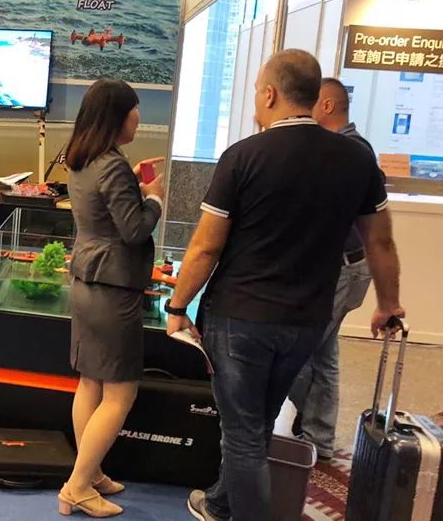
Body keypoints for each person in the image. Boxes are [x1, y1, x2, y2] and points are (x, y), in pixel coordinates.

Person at [166, 50, 404, 521]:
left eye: (257, 91)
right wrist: (388, 304)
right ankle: (219, 503)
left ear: (271, 94)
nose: (256, 99)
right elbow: (379, 241)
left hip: (240, 318)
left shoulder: (243, 156)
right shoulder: (356, 159)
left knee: (243, 436)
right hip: (306, 320)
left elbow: (206, 247)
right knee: (258, 422)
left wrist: (177, 307)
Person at [58, 79, 165, 518]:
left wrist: (133, 184)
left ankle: (90, 471)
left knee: (90, 383)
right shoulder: (112, 166)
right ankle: (78, 486)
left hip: (87, 280)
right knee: (120, 393)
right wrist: (154, 198)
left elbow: (104, 211)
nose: (139, 117)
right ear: (117, 116)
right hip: (113, 288)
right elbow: (134, 229)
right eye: (135, 109)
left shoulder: (82, 158)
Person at [288, 77, 382, 461]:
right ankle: (319, 438)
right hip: (344, 265)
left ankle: (300, 430)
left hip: (342, 268)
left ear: (327, 105)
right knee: (323, 354)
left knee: (297, 352)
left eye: (311, 103)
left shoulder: (348, 150)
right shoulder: (350, 148)